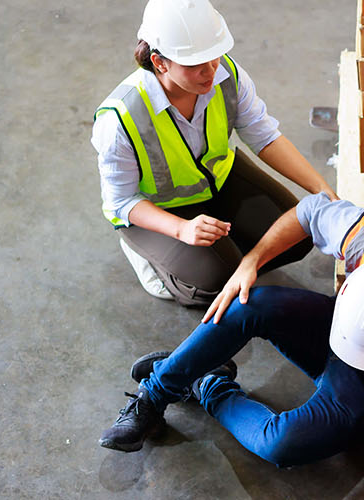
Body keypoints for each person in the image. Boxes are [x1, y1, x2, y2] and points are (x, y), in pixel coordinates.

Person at [98, 193, 364, 468]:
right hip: (336, 329)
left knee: (281, 445)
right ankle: (154, 396)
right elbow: (308, 210)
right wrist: (250, 263)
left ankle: (209, 384)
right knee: (250, 302)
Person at [93, 0, 334, 306]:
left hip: (219, 181)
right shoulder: (121, 118)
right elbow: (120, 202)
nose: (210, 72)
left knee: (299, 235)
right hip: (162, 210)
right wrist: (182, 229)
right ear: (160, 62)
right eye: (195, 65)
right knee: (215, 284)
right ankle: (150, 258)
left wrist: (322, 190)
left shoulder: (226, 75)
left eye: (214, 57)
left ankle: (230, 250)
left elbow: (264, 135)